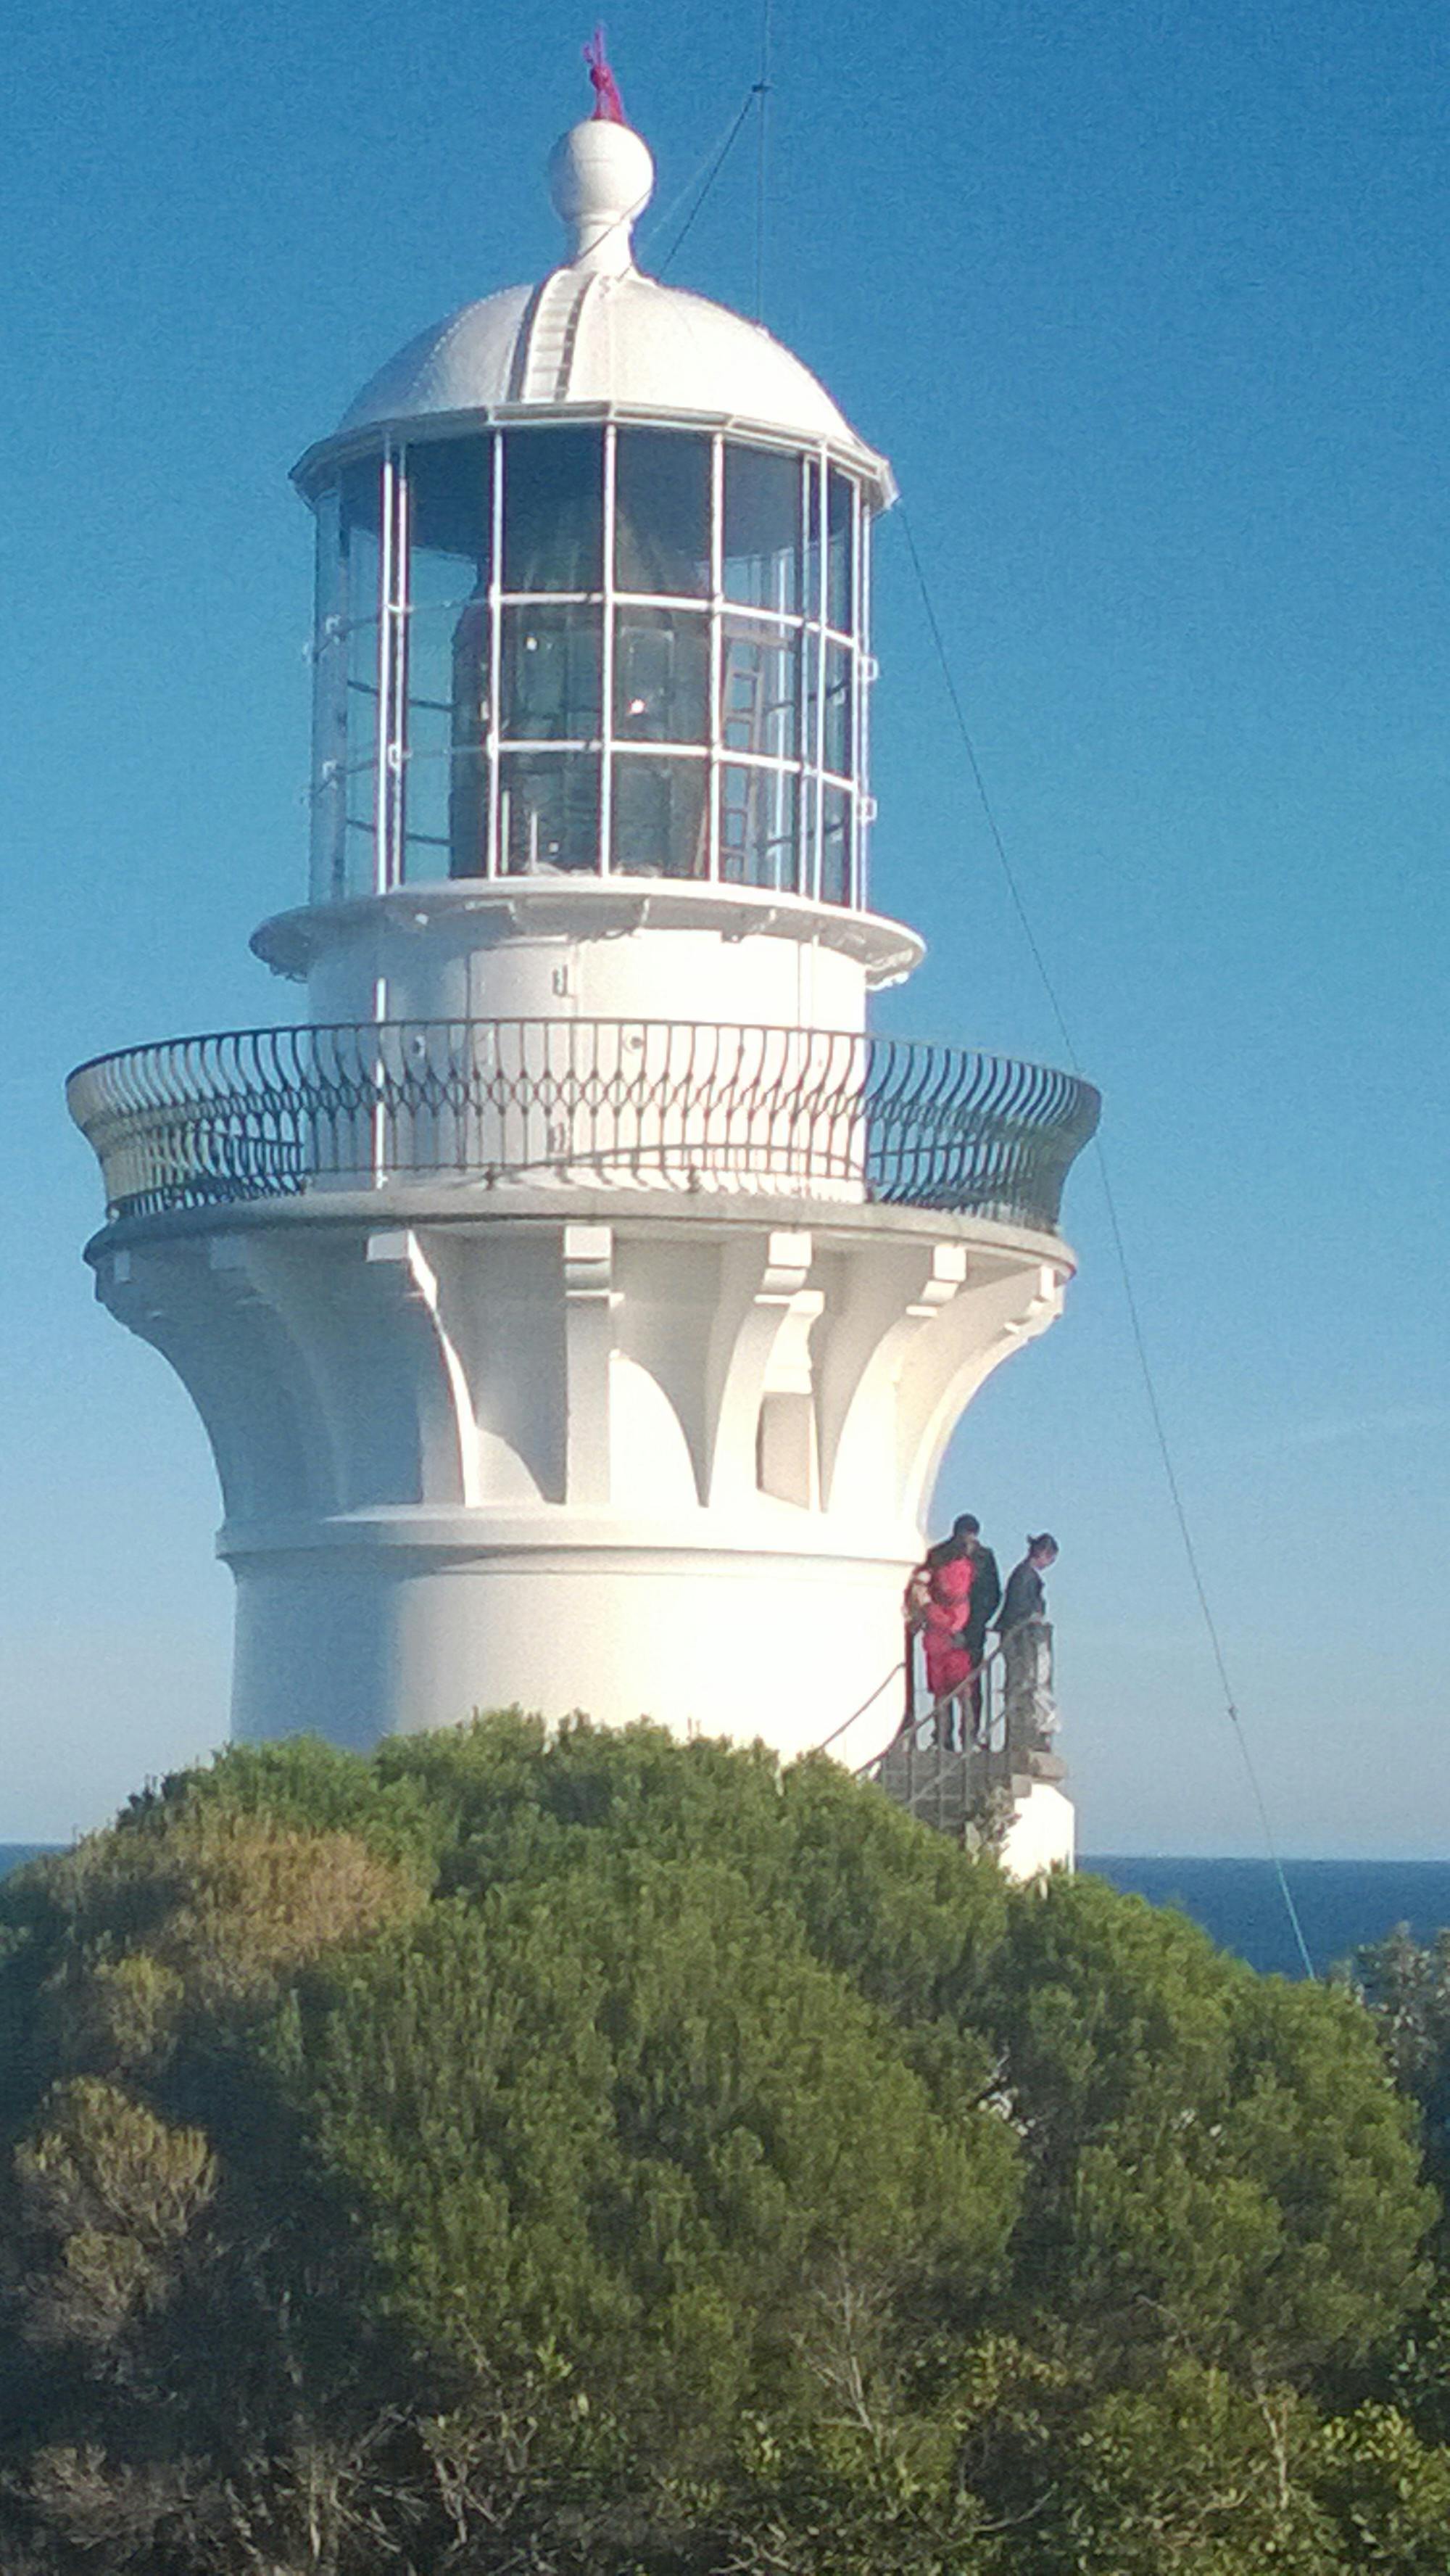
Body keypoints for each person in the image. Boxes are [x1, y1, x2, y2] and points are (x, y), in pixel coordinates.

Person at [927, 1513, 1000, 1737]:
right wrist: (977, 1622)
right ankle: (968, 1735)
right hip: (969, 1633)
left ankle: (943, 1736)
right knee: (969, 1688)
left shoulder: (937, 1555)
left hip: (941, 1629)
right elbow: (993, 1594)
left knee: (942, 1686)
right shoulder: (984, 1557)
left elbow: (928, 1590)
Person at [996, 1535, 1059, 1763]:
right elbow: (1021, 1610)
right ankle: (1029, 1734)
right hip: (1022, 1642)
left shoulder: (1023, 1575)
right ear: (1043, 1553)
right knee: (1029, 1685)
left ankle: (1027, 1733)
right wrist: (1033, 1620)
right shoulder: (1025, 1577)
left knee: (1027, 1686)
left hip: (1021, 1640)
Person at [910, 1529, 974, 1750]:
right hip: (952, 1636)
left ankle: (943, 1738)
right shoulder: (963, 1567)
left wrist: (926, 1607)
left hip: (937, 1636)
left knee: (941, 1694)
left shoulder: (934, 1568)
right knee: (962, 1693)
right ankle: (965, 1739)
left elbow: (925, 1591)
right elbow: (960, 1598)